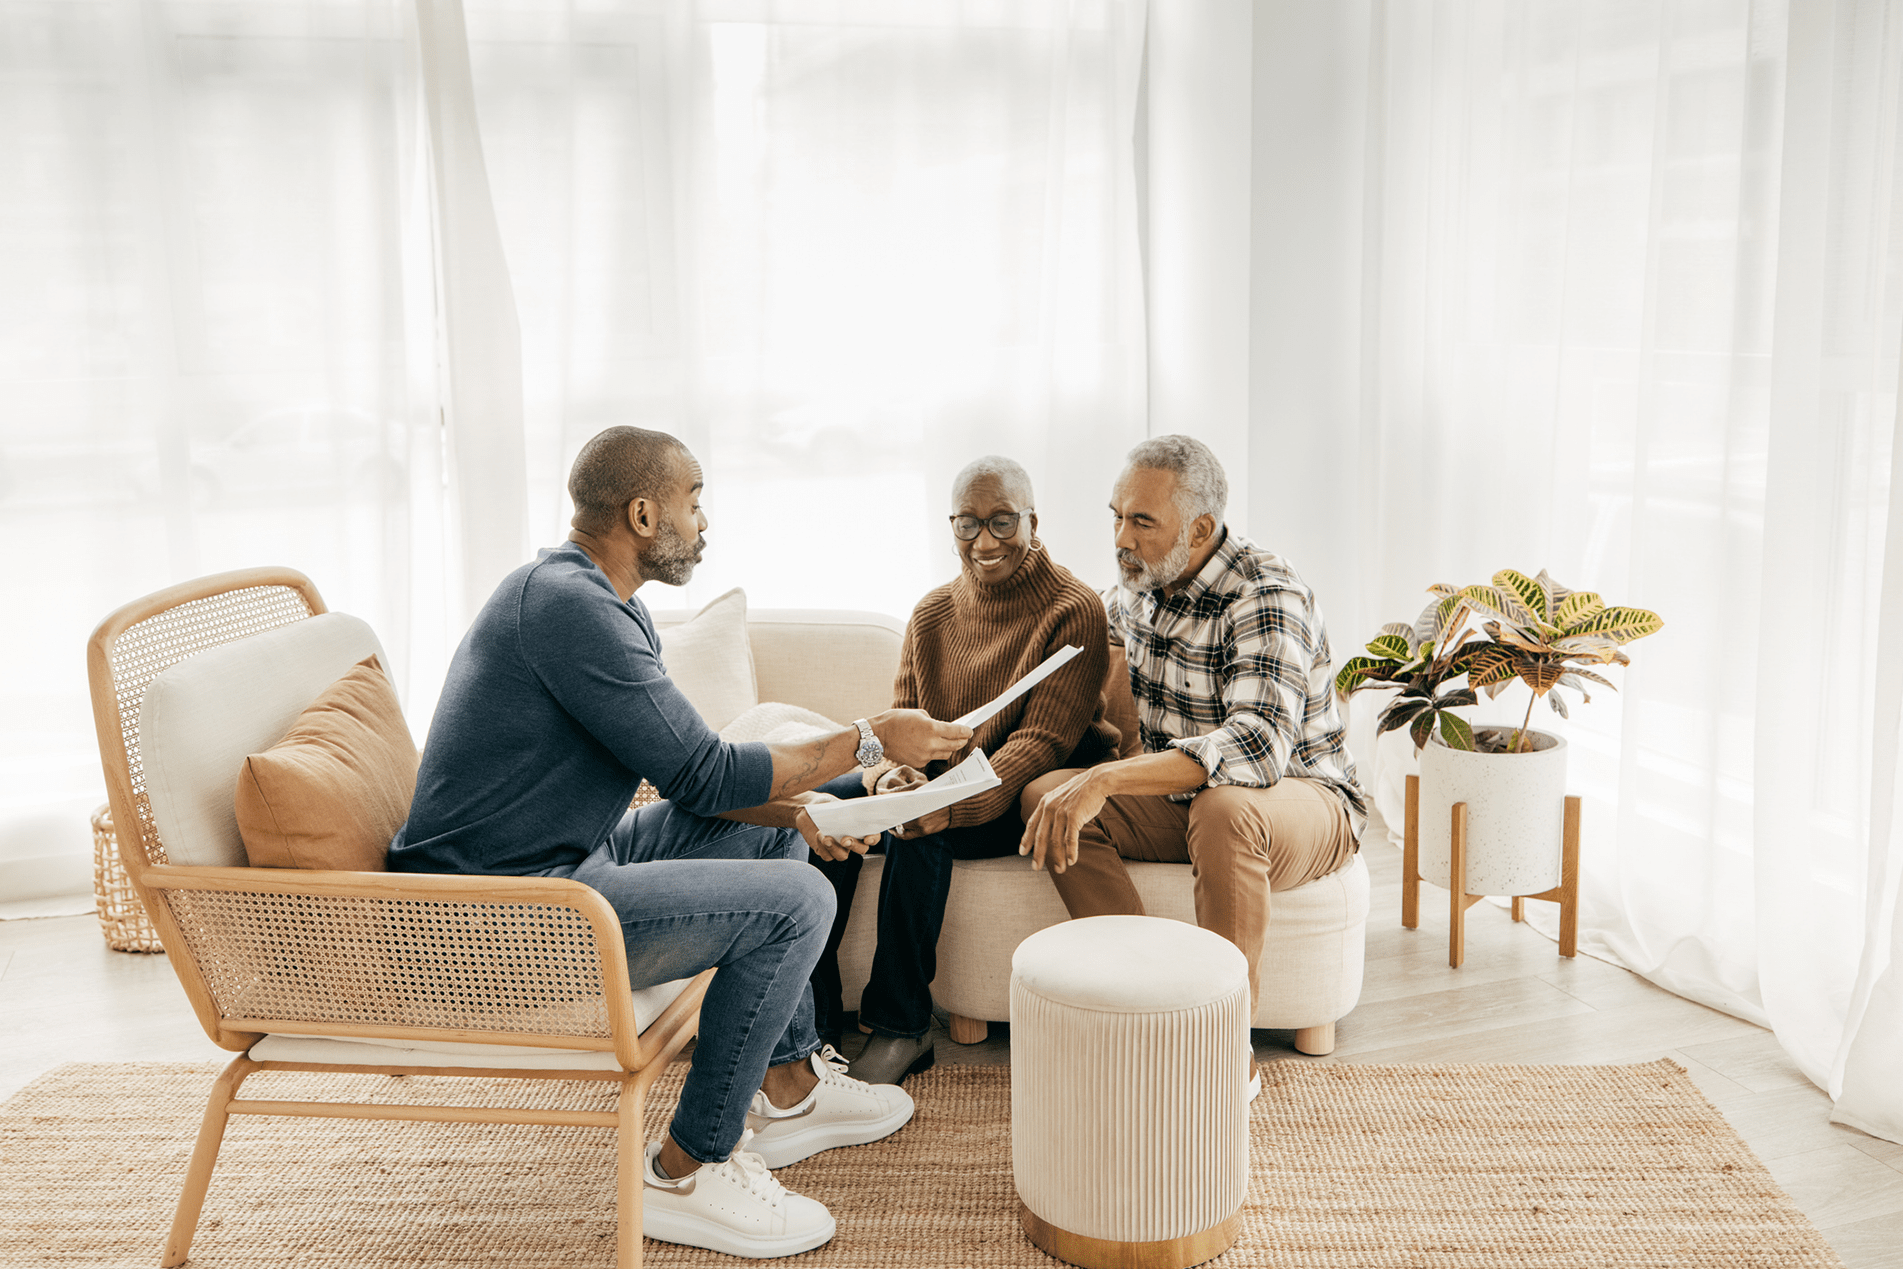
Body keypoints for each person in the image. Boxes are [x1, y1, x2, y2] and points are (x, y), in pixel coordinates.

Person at [389, 426, 971, 1260]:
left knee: (784, 844)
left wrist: (799, 808)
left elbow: (687, 775)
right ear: (641, 512)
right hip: (506, 914)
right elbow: (703, 772)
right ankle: (686, 1166)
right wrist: (871, 738)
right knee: (799, 901)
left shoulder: (596, 599)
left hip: (571, 859)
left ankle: (790, 1085)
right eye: (694, 502)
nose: (705, 522)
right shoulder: (570, 611)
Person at [1018, 434, 1366, 1059]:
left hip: (1301, 799)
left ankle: (1221, 1049)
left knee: (1225, 808)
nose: (1121, 538)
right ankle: (1144, 1001)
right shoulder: (1140, 583)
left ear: (1200, 527)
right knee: (1049, 795)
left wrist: (1106, 779)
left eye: (1142, 521)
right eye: (1116, 516)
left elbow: (1256, 750)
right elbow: (1065, 634)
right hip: (1187, 800)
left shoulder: (1266, 593)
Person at [805, 456, 1118, 1084]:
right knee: (825, 807)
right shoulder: (930, 614)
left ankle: (902, 1026)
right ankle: (811, 1017)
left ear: (1033, 519)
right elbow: (903, 726)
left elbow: (1040, 742)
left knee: (925, 829)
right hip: (944, 780)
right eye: (967, 524)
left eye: (1003, 521)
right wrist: (890, 777)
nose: (985, 541)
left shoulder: (1075, 609)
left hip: (1025, 788)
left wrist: (946, 803)